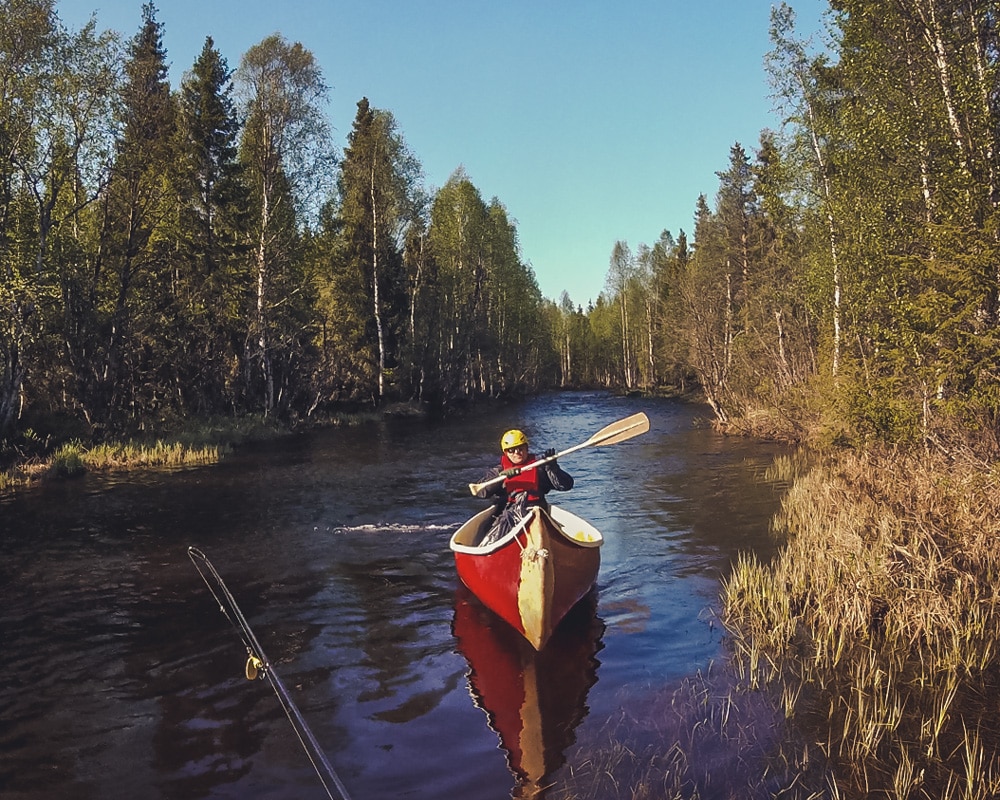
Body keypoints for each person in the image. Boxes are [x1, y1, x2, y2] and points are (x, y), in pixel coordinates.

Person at [474, 428, 574, 545]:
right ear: (506, 453)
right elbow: (481, 492)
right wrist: (500, 477)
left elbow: (566, 486)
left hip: (538, 511)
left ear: (527, 448)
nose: (517, 453)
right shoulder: (499, 471)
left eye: (520, 448)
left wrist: (553, 468)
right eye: (512, 450)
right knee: (486, 533)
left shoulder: (540, 467)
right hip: (510, 513)